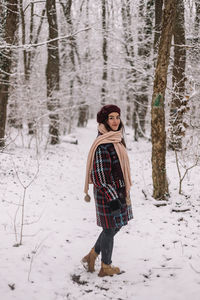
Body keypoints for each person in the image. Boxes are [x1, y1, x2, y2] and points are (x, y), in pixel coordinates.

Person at [82, 104, 133, 277]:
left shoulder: (116, 139)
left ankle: (92, 255)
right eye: (111, 117)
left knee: (113, 227)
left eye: (117, 117)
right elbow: (100, 176)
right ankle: (106, 266)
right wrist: (113, 198)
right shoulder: (103, 144)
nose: (115, 121)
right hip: (108, 193)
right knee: (110, 229)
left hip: (119, 190)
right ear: (104, 120)